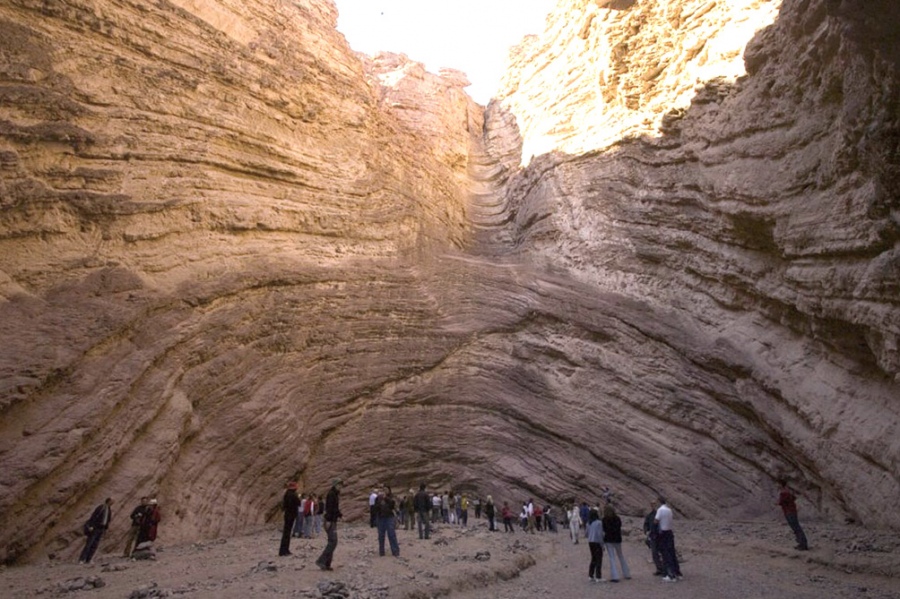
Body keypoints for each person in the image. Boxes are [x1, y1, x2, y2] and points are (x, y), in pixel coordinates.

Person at [316, 479, 343, 571]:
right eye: (339, 485)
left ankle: (327, 564)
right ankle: (321, 561)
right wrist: (328, 520)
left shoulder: (334, 494)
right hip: (330, 521)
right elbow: (330, 508)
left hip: (332, 520)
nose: (341, 487)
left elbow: (334, 508)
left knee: (332, 541)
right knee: (333, 541)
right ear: (335, 485)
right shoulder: (332, 494)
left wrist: (339, 515)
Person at [655, 497, 682, 582]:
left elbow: (656, 521)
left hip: (663, 533)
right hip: (670, 533)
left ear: (659, 502)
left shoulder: (660, 510)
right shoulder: (669, 510)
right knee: (672, 552)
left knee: (665, 554)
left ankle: (670, 575)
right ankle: (677, 573)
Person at [777, 479, 809, 550]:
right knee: (796, 527)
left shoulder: (784, 493)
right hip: (792, 511)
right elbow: (793, 498)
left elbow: (780, 502)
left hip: (789, 512)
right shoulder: (788, 492)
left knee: (796, 528)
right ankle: (801, 543)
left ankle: (803, 544)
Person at [79, 497, 113, 563]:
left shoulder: (109, 509)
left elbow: (107, 520)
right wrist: (91, 526)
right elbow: (93, 517)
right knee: (89, 544)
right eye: (112, 501)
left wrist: (106, 528)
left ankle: (88, 559)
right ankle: (82, 559)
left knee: (95, 544)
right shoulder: (101, 508)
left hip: (101, 529)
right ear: (108, 501)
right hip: (95, 528)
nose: (113, 502)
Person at [602, 504, 630, 582]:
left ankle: (615, 576)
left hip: (608, 540)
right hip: (617, 539)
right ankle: (627, 573)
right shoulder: (617, 518)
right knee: (621, 555)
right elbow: (619, 527)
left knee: (612, 557)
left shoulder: (604, 519)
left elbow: (604, 530)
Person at [375, 486, 400, 557]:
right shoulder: (378, 498)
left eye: (386, 489)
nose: (385, 491)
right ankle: (381, 552)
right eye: (383, 490)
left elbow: (393, 505)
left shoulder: (391, 497)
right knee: (381, 535)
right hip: (381, 518)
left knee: (391, 534)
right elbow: (375, 508)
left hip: (389, 517)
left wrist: (386, 498)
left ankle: (395, 551)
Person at [643, 501, 666, 576]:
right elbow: (646, 524)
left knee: (663, 552)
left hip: (661, 536)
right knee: (655, 553)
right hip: (653, 536)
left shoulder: (661, 514)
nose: (653, 506)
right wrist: (646, 531)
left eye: (654, 504)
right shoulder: (650, 515)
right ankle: (659, 568)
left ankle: (665, 568)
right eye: (652, 504)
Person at [279, 482, 300, 556]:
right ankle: (284, 551)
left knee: (286, 533)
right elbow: (298, 502)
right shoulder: (293, 495)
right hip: (291, 515)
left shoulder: (286, 494)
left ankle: (283, 550)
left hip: (287, 514)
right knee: (287, 533)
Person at [586, 507, 604, 582]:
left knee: (593, 558)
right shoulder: (599, 523)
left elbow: (586, 533)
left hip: (590, 542)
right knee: (599, 559)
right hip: (597, 541)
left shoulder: (588, 523)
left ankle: (591, 575)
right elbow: (600, 534)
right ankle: (598, 576)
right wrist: (602, 544)